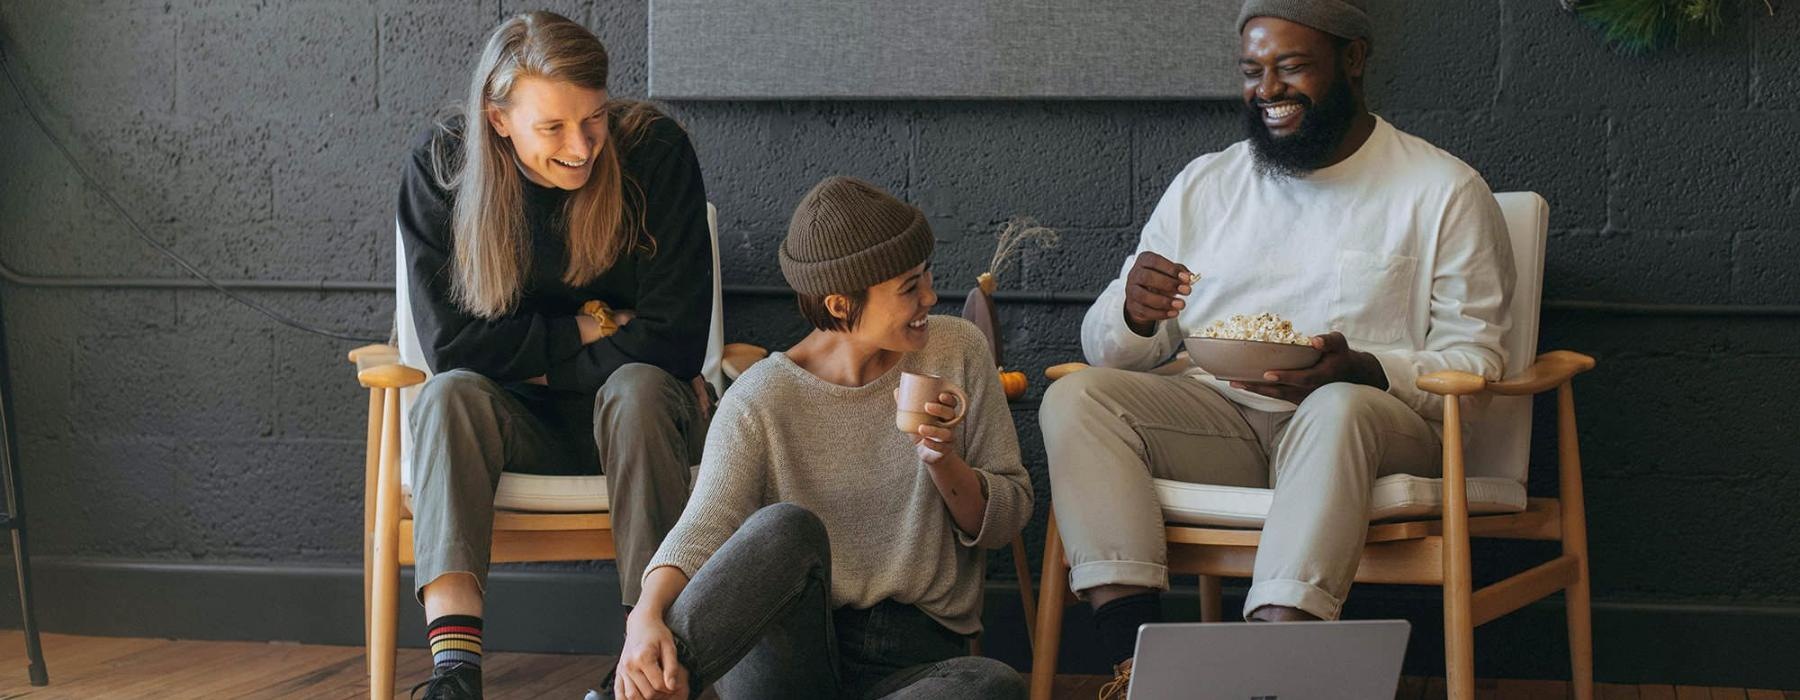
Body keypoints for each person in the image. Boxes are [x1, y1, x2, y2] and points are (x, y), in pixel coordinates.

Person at [1039, 0, 1516, 694]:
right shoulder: (1208, 184)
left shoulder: (1440, 190)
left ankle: (1272, 675)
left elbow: (1478, 362)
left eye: (1291, 67)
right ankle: (1132, 669)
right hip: (1223, 423)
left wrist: (1368, 370)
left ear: (1353, 60)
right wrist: (1135, 315)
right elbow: (1112, 350)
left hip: (1375, 432)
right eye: (1252, 70)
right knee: (1078, 396)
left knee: (1338, 407)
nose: (1268, 90)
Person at [598, 177, 1031, 700]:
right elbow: (704, 527)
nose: (930, 296)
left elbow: (1007, 518)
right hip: (787, 657)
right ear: (841, 303)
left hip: (916, 660)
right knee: (784, 527)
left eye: (926, 275)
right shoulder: (761, 397)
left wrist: (943, 461)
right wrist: (643, 618)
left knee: (994, 686)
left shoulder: (957, 350)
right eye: (908, 287)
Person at [397, 11, 714, 699]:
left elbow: (675, 339)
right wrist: (591, 326)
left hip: (646, 425)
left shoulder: (655, 152)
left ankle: (643, 653)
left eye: (594, 118)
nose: (582, 146)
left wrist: (526, 353)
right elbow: (452, 346)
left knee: (637, 388)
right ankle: (454, 674)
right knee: (448, 395)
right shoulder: (442, 167)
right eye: (554, 127)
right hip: (515, 428)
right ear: (498, 119)